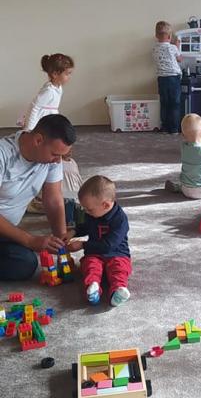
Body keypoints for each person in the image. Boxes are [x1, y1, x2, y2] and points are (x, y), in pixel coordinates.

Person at [0, 114, 76, 280]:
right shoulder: (3, 155)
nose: (58, 161)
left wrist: (61, 244)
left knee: (25, 263)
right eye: (55, 154)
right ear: (38, 140)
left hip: (5, 231)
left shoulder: (51, 160)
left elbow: (53, 200)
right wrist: (29, 240)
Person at [22, 52, 81, 217]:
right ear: (55, 74)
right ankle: (36, 196)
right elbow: (34, 107)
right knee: (43, 158)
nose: (69, 77)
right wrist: (29, 129)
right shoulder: (48, 90)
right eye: (67, 73)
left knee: (54, 157)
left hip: (52, 124)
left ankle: (48, 191)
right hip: (43, 127)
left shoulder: (58, 88)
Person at [68, 175, 131, 307]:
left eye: (89, 209)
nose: (86, 212)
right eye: (85, 209)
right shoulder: (93, 213)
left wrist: (82, 245)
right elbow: (86, 226)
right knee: (90, 266)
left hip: (117, 253)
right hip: (95, 254)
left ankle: (118, 291)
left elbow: (108, 245)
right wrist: (73, 232)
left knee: (119, 269)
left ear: (105, 205)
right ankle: (93, 288)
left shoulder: (120, 219)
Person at [152, 20, 182, 135]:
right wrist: (177, 46)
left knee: (164, 103)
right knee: (175, 104)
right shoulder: (173, 48)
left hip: (162, 79)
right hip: (173, 78)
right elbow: (179, 59)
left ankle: (164, 127)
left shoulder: (154, 49)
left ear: (156, 36)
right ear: (170, 37)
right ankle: (174, 129)